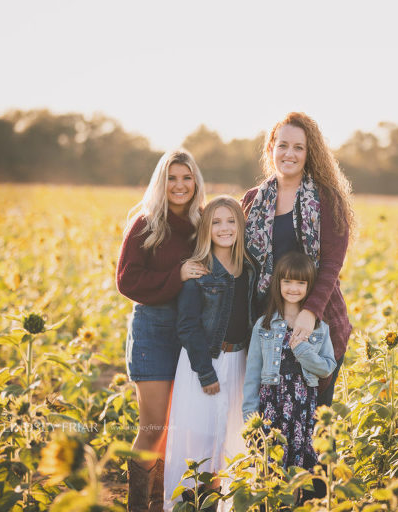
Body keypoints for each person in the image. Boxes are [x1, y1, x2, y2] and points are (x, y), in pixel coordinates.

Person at [116, 149, 208, 512]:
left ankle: (163, 504)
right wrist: (177, 276)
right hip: (153, 331)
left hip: (190, 335)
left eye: (187, 178)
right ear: (161, 182)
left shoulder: (203, 223)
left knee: (178, 425)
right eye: (172, 178)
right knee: (154, 428)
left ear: (196, 182)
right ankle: (138, 506)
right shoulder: (146, 223)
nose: (180, 185)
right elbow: (127, 280)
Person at [242, 112, 354, 407]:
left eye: (298, 147)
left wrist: (310, 312)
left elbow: (331, 265)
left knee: (314, 430)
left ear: (309, 154)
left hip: (317, 328)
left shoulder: (327, 199)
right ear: (270, 149)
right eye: (282, 145)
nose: (289, 154)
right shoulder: (253, 200)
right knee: (271, 428)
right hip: (268, 332)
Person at [163, 196, 257, 511]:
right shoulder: (199, 272)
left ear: (240, 226)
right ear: (206, 228)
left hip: (240, 361)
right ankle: (191, 505)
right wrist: (205, 371)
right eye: (216, 222)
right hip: (203, 364)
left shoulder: (250, 270)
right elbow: (188, 326)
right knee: (200, 439)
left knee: (229, 439)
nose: (224, 228)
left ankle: (222, 505)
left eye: (231, 220)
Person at [242, 252, 337, 470]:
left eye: (300, 283)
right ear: (278, 283)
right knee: (270, 469)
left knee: (300, 472)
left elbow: (327, 368)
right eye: (287, 281)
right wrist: (249, 420)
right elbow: (252, 376)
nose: (293, 288)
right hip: (271, 409)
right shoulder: (263, 325)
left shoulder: (320, 328)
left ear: (309, 286)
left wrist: (302, 349)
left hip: (303, 411)